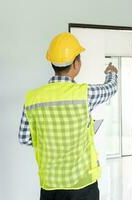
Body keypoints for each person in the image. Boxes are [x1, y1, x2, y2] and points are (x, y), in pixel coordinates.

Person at [18, 32, 118, 200]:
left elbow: (25, 138)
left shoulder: (33, 98)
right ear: (76, 64)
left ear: (52, 63)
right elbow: (111, 88)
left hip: (50, 186)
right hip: (83, 184)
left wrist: (52, 138)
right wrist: (111, 73)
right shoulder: (85, 94)